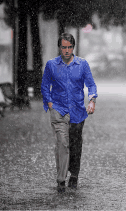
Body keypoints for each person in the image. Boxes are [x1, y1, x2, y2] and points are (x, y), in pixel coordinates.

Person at [41, 33, 98, 193]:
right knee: (62, 144)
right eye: (64, 47)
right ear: (60, 47)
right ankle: (61, 179)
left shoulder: (82, 64)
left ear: (73, 47)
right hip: (59, 111)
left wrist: (92, 100)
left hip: (78, 112)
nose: (67, 50)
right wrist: (50, 104)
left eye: (69, 47)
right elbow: (45, 86)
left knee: (75, 145)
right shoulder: (51, 65)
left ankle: (74, 174)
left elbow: (91, 85)